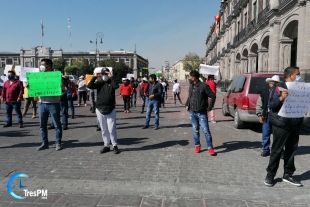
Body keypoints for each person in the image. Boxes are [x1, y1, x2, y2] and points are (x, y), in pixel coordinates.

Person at [264, 67, 303, 187]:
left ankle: (288, 174)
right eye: (298, 74)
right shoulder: (278, 87)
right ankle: (270, 176)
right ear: (291, 75)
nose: (299, 76)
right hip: (281, 124)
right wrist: (281, 98)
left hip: (295, 124)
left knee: (291, 151)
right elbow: (271, 105)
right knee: (276, 150)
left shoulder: (300, 89)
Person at [87, 68, 120, 154]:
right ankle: (106, 145)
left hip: (110, 108)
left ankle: (115, 145)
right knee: (104, 129)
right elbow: (89, 86)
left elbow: (116, 86)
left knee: (111, 128)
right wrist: (94, 77)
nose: (104, 75)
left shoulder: (112, 82)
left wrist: (111, 77)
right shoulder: (99, 83)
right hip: (99, 108)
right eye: (103, 74)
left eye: (106, 74)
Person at [185, 70, 216, 156]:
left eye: (190, 77)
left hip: (201, 113)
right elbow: (190, 96)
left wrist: (210, 107)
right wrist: (187, 104)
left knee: (206, 131)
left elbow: (212, 96)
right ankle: (197, 145)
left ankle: (210, 148)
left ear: (194, 77)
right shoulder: (191, 86)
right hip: (192, 112)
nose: (189, 78)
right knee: (195, 130)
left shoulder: (204, 86)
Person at [36, 59, 63, 151]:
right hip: (41, 104)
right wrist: (29, 86)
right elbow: (34, 88)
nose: (41, 67)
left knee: (57, 125)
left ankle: (58, 143)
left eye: (43, 65)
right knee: (42, 125)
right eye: (41, 65)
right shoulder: (38, 76)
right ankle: (45, 143)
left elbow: (64, 89)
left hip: (53, 103)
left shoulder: (57, 75)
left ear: (49, 66)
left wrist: (61, 87)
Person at [256, 75, 280, 157]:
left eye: (275, 83)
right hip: (266, 115)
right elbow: (259, 104)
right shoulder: (264, 92)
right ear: (269, 83)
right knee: (265, 134)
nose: (273, 85)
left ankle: (279, 151)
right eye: (272, 83)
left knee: (278, 135)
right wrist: (259, 114)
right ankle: (266, 150)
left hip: (277, 116)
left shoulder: (280, 92)